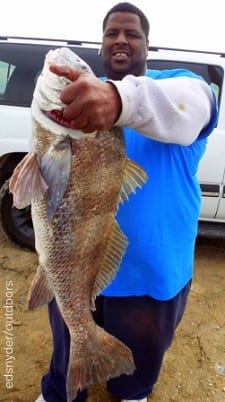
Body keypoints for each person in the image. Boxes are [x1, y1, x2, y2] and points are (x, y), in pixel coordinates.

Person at [35, 2, 218, 402]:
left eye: (132, 33)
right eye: (111, 33)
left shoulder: (176, 85)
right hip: (73, 261)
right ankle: (60, 392)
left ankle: (133, 391)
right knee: (67, 345)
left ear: (148, 45)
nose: (121, 40)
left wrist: (118, 100)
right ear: (101, 45)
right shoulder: (77, 95)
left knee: (142, 359)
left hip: (152, 271)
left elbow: (195, 101)